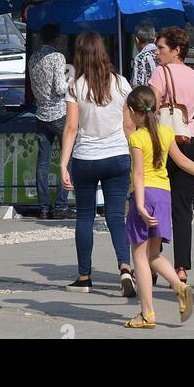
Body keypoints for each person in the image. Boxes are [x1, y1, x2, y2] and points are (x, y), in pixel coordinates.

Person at [122, 85, 194, 329]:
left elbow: (138, 174)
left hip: (144, 196)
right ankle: (180, 287)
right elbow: (183, 161)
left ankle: (147, 314)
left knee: (140, 257)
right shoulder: (166, 133)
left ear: (134, 112)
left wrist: (140, 205)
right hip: (164, 195)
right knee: (154, 254)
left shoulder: (136, 138)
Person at [60, 31, 136, 297]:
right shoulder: (121, 84)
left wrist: (63, 164)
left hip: (86, 159)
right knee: (117, 216)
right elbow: (129, 126)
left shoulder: (75, 86)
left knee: (84, 216)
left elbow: (70, 128)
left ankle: (84, 276)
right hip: (117, 157)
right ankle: (125, 267)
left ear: (79, 55)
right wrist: (136, 157)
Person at [150, 26, 194, 285]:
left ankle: (153, 261)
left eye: (161, 48)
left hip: (165, 141)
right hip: (190, 139)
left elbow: (151, 104)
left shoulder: (161, 73)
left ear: (176, 50)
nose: (157, 53)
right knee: (183, 209)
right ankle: (182, 266)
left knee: (158, 204)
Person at [28, 23, 69, 218]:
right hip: (59, 113)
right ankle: (61, 205)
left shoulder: (33, 57)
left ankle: (43, 206)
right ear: (57, 38)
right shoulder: (57, 57)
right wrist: (72, 82)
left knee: (42, 163)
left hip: (40, 113)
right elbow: (60, 88)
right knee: (67, 158)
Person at [130, 23, 158, 87]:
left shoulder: (140, 58)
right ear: (155, 39)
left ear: (137, 40)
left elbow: (137, 85)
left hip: (148, 95)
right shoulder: (162, 54)